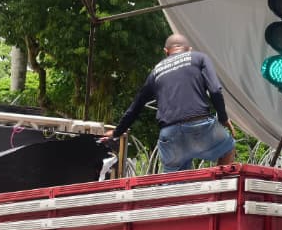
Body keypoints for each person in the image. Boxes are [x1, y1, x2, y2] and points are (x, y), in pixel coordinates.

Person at [100, 34, 237, 172]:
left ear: (166, 52)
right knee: (228, 148)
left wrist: (117, 132)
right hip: (199, 126)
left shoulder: (156, 72)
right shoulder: (199, 58)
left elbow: (135, 107)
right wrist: (223, 119)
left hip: (170, 135)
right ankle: (217, 189)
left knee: (175, 186)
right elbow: (215, 90)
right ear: (189, 49)